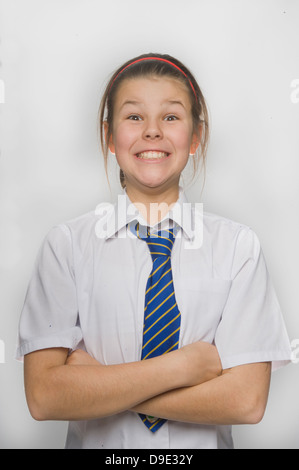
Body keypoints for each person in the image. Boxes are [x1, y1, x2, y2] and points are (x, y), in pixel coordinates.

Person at [17, 53, 292, 449]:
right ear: (109, 137)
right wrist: (186, 366)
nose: (151, 132)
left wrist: (97, 385)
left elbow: (246, 402)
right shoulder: (67, 246)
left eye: (171, 117)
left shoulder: (237, 248)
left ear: (195, 137)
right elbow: (44, 397)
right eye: (133, 117)